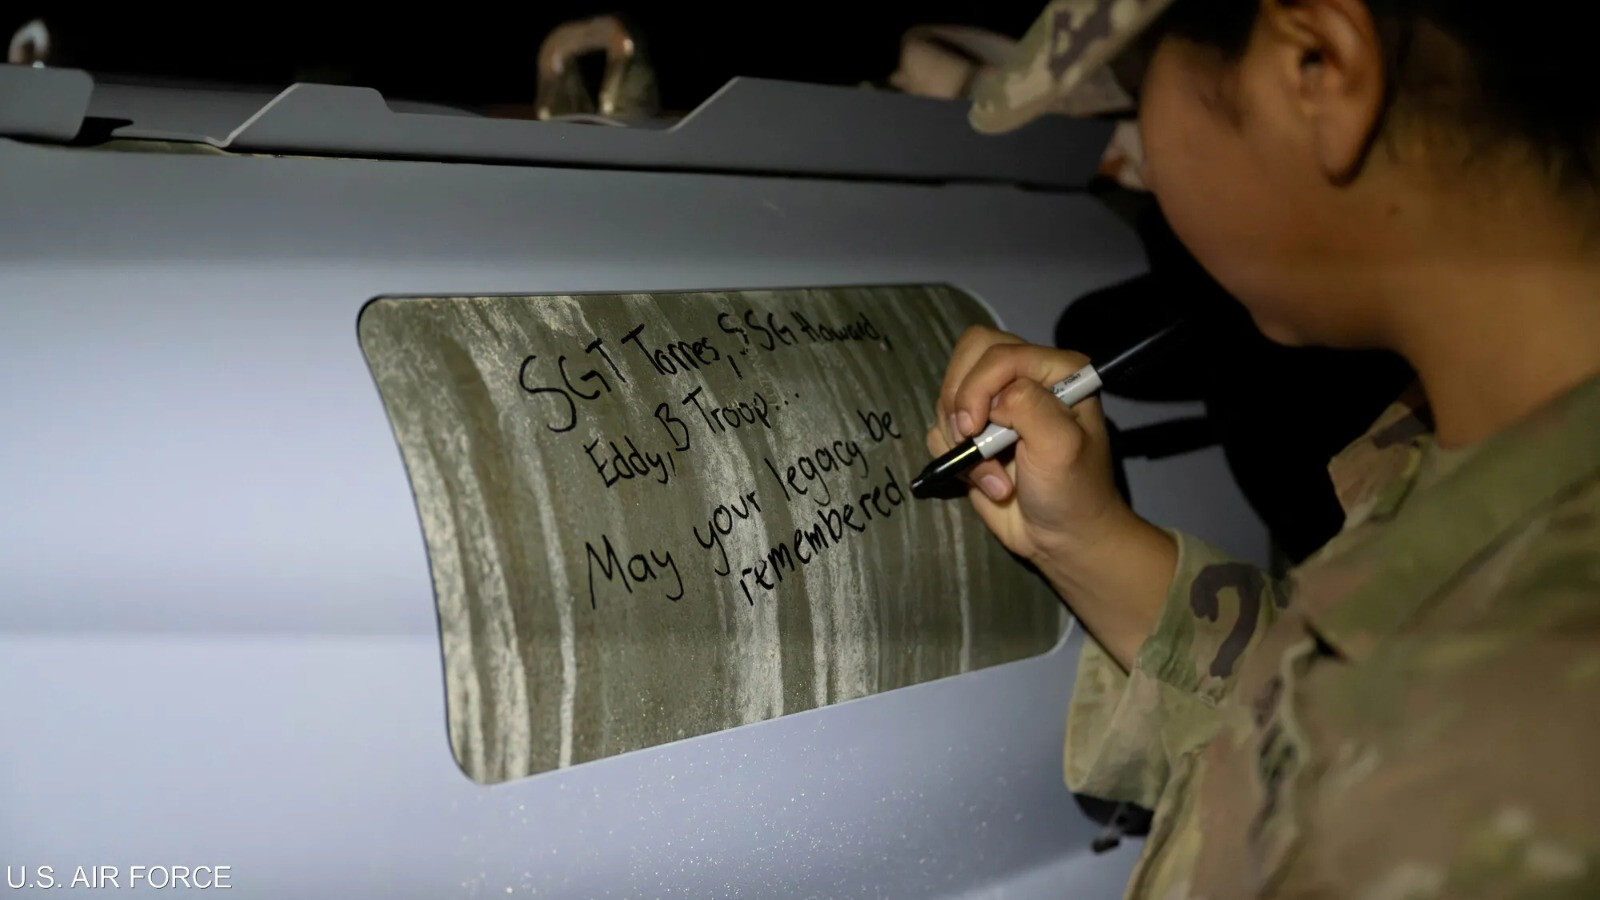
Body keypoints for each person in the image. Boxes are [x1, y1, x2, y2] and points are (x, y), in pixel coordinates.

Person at [928, 0, 1600, 896]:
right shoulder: (1484, 454)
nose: (1142, 161)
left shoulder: (1510, 754)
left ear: (1317, 67)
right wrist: (1085, 540)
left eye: (1136, 91)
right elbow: (1320, 727)